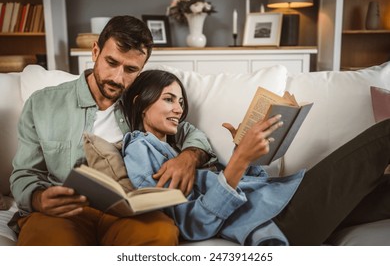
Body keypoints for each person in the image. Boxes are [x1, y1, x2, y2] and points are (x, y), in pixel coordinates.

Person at [121, 69, 390, 246]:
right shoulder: (139, 148)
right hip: (278, 218)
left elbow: (236, 186)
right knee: (384, 134)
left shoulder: (183, 145)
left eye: (181, 102)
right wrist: (239, 160)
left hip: (280, 201)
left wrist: (243, 155)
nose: (179, 109)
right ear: (139, 103)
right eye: (169, 99)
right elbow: (190, 224)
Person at [9, 15, 215, 246]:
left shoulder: (141, 102)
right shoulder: (43, 104)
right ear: (95, 52)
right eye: (112, 63)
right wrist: (38, 199)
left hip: (127, 213)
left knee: (160, 234)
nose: (118, 78)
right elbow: (24, 173)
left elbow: (189, 132)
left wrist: (189, 157)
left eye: (130, 69)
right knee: (45, 243)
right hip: (64, 212)